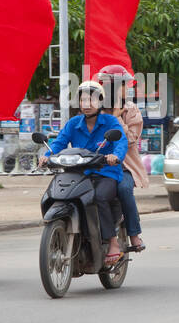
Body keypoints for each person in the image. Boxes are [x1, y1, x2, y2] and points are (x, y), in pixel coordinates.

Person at [42, 80, 128, 263]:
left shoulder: (110, 121)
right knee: (54, 194)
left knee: (100, 197)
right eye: (83, 100)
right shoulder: (73, 123)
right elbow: (59, 143)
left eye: (92, 100)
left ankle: (112, 242)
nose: (87, 104)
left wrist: (115, 156)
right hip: (79, 174)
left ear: (100, 102)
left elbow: (121, 142)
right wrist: (46, 155)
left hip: (106, 172)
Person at [99, 65, 147, 251]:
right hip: (96, 165)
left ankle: (134, 234)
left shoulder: (131, 110)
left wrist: (117, 117)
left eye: (124, 86)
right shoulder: (94, 109)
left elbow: (131, 140)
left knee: (124, 189)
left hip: (123, 167)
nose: (125, 89)